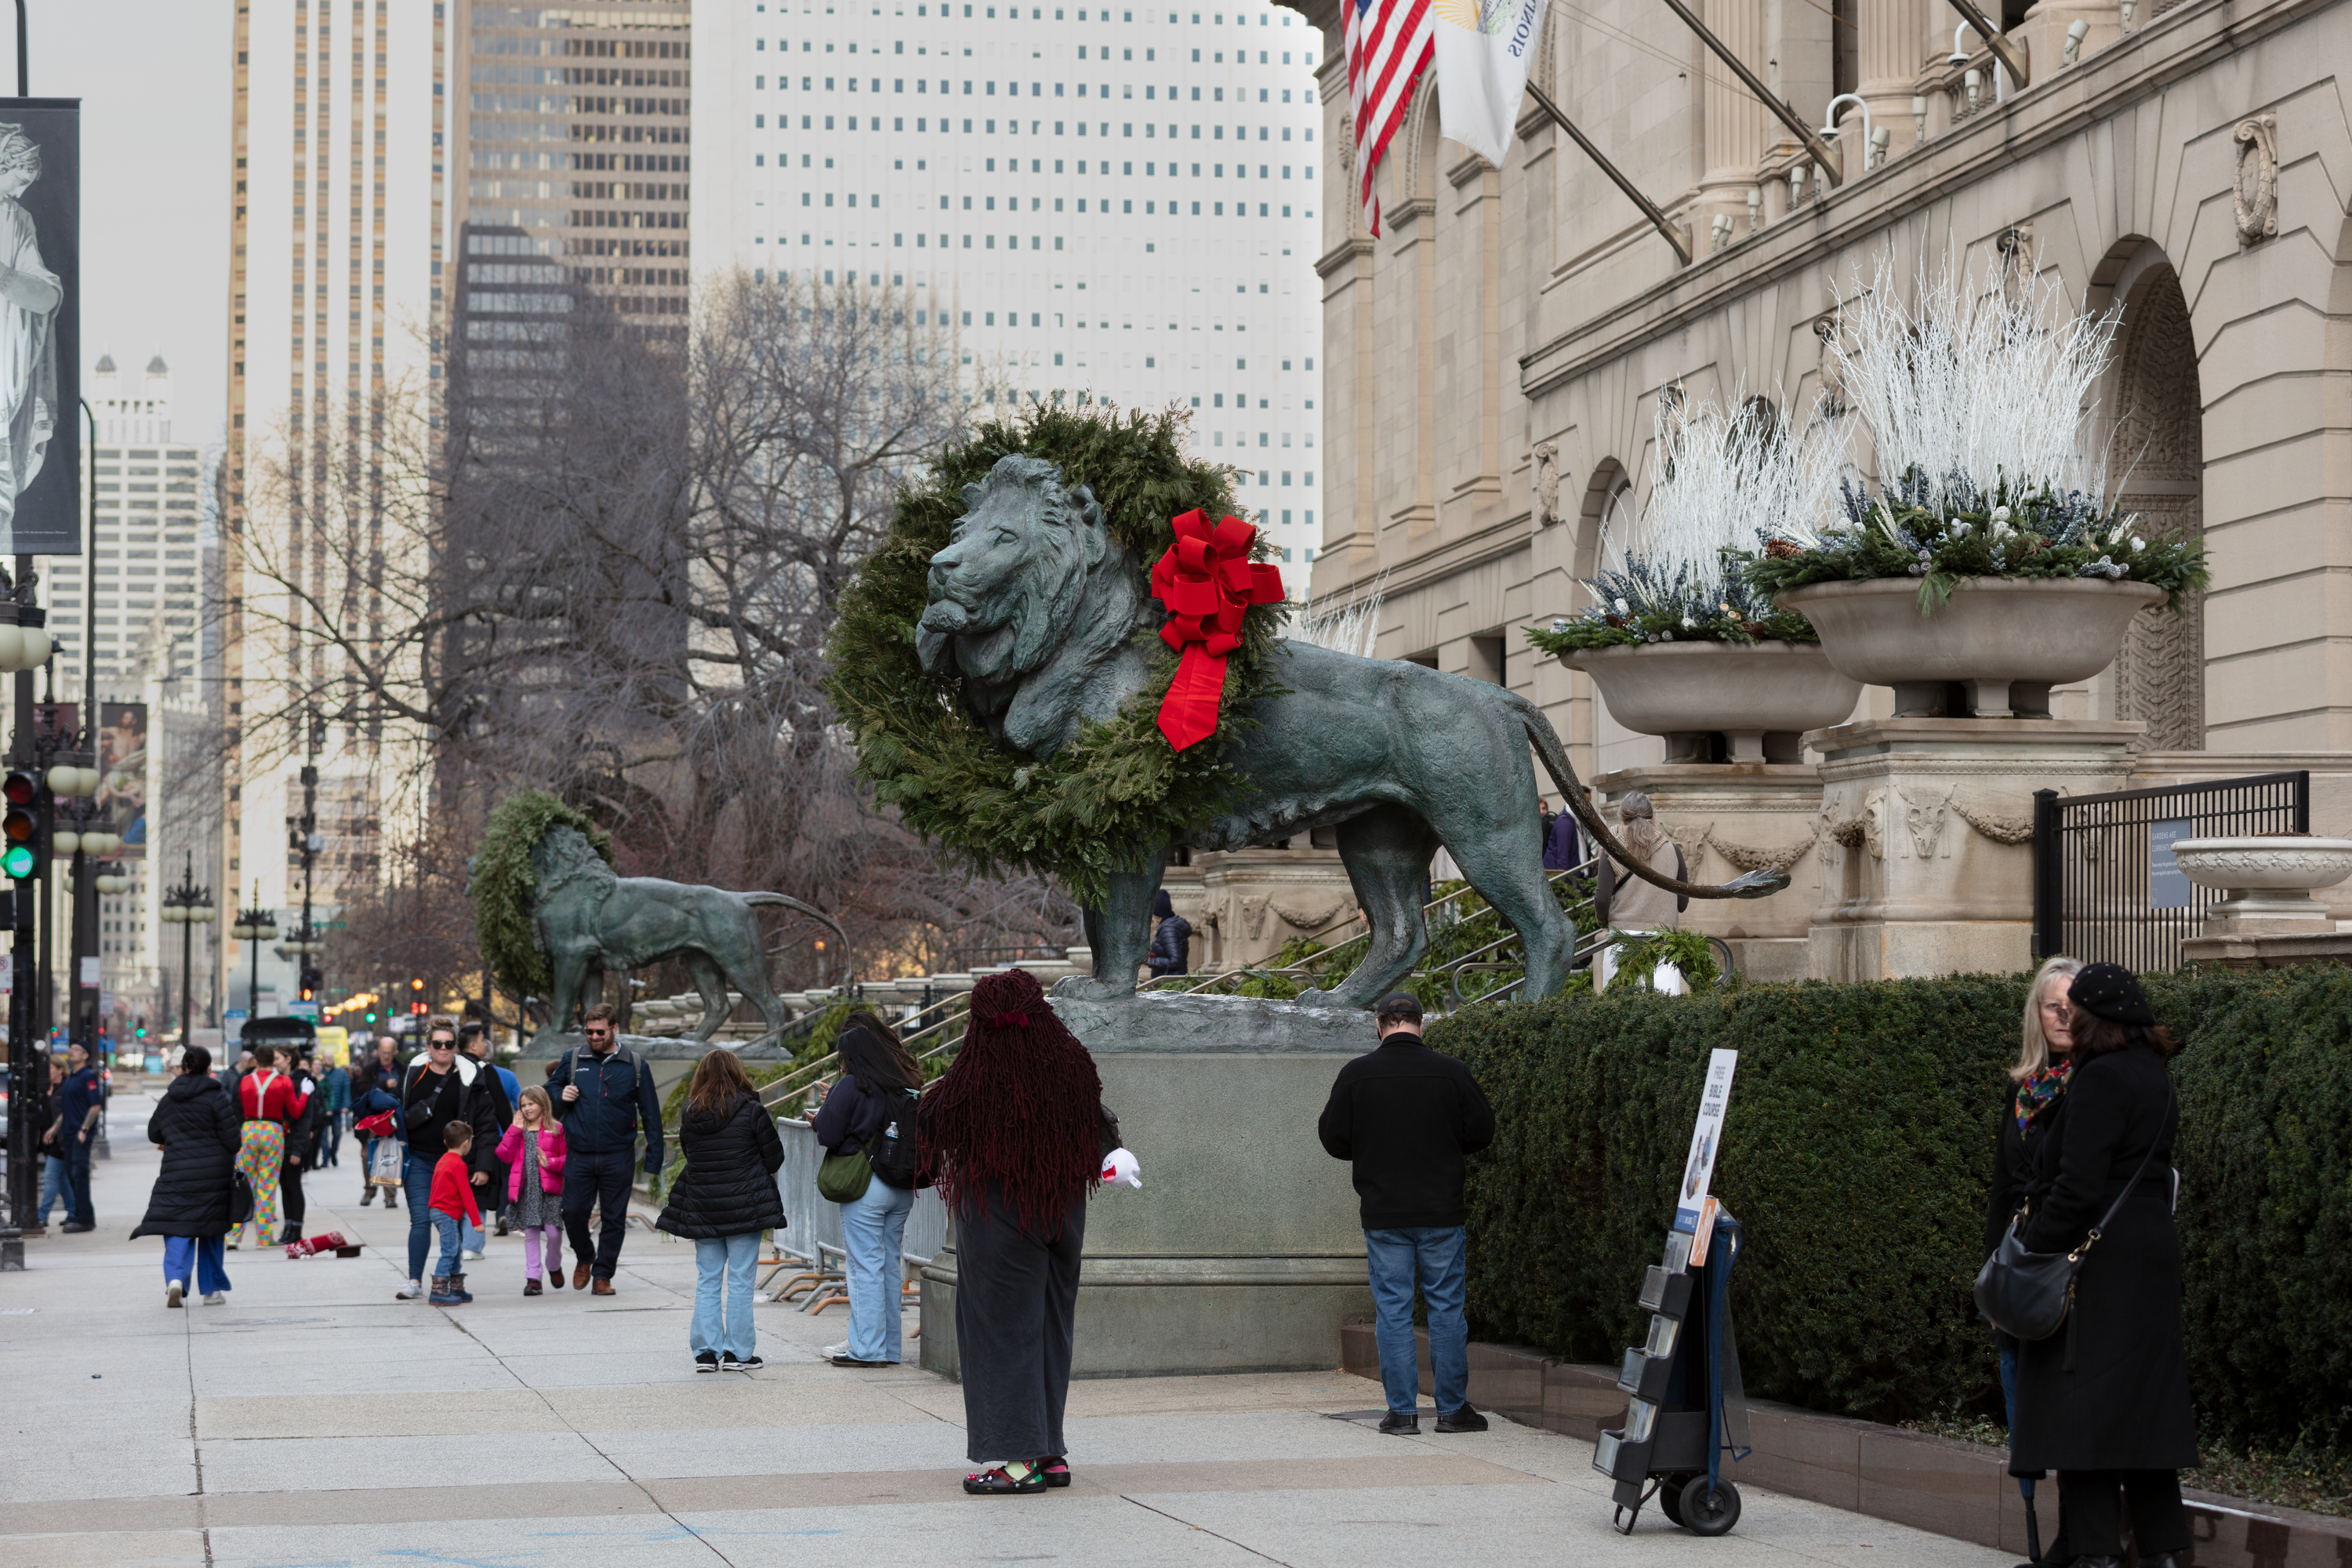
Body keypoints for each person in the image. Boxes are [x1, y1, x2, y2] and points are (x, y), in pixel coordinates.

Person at [920, 969, 1138, 1495]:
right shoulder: (1070, 1066)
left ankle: (1016, 1462)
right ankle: (1048, 1451)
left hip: (1000, 1219)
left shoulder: (974, 1077)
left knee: (1000, 1335)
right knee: (1048, 1329)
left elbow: (928, 1139)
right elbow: (1099, 1125)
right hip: (1060, 1213)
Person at [2008, 962, 2195, 1568]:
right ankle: (2164, 1551)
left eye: (2073, 1011)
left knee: (2079, 1410)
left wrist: (2033, 1248)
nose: (2065, 1018)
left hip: (2099, 1262)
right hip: (2148, 1252)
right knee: (2145, 1410)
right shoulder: (2153, 1072)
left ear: (2097, 1017)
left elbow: (2077, 1186)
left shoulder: (2100, 1077)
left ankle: (2094, 1555)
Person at [1316, 990, 1496, 1437]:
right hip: (1441, 1210)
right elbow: (1482, 1130)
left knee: (1393, 1310)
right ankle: (1453, 1411)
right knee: (1446, 1309)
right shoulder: (1451, 1072)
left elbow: (1333, 1138)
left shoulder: (1357, 1074)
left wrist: (1371, 1150)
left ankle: (1402, 1414)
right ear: (1420, 1024)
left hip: (1384, 1213)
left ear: (1379, 1026)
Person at [1987, 955, 2083, 1428]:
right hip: (2019, 1262)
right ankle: (2028, 1501)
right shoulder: (2023, 1089)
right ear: (2036, 1015)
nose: (2063, 1017)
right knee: (2017, 1388)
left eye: (2073, 1005)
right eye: (2052, 1006)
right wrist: (1994, 1281)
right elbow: (2003, 1187)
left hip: (2066, 1266)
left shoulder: (2091, 1084)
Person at [656, 1048, 786, 1370]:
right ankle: (738, 1353)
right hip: (747, 1204)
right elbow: (775, 1158)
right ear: (737, 1073)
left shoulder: (691, 1112)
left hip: (704, 1205)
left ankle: (705, 1352)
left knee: (708, 1279)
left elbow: (689, 1153)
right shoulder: (752, 1110)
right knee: (741, 1281)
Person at [811, 1014, 924, 1367]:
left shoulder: (851, 1085)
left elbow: (828, 1134)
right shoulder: (900, 1086)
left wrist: (820, 1117)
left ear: (850, 1057)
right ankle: (890, 1349)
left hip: (866, 1187)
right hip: (901, 1186)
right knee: (890, 1266)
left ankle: (866, 1349)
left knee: (864, 1268)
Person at [555, 1002, 665, 1296]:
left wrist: (654, 1160)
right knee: (573, 1211)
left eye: (600, 1032)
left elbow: (651, 1114)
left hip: (619, 1154)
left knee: (614, 1218)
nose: (594, 1037)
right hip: (579, 1153)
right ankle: (585, 1256)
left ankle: (603, 1275)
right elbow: (548, 1096)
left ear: (614, 1029)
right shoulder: (573, 1059)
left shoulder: (635, 1065)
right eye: (589, 1032)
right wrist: (561, 1095)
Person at [395, 1020, 502, 1301]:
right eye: (437, 1044)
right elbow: (401, 1111)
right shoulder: (414, 1074)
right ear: (428, 1046)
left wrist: (483, 1165)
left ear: (456, 1047)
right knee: (420, 1221)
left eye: (449, 1044)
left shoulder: (470, 1077)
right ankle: (415, 1280)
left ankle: (451, 1282)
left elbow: (487, 1125)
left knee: (452, 1224)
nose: (443, 1049)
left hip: (453, 1166)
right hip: (418, 1159)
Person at [130, 1047, 241, 1307]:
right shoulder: (217, 1097)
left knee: (177, 1225)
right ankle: (212, 1290)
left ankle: (176, 1279)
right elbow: (233, 1140)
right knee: (212, 1228)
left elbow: (154, 1134)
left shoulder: (170, 1098)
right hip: (213, 1174)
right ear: (208, 1068)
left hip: (177, 1171)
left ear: (183, 1067)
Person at [1591, 791, 1688, 994]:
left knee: (1622, 1011)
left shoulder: (1612, 850)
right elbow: (1682, 903)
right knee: (1665, 1011)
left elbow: (1602, 898)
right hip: (1664, 943)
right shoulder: (1674, 852)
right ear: (1653, 817)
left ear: (1622, 819)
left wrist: (1603, 921)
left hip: (1624, 943)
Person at [228, 1044, 305, 1248]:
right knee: (267, 1186)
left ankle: (234, 1235)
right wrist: (304, 1094)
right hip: (273, 1131)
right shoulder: (284, 1081)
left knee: (243, 1184)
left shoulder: (245, 1081)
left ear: (255, 1060)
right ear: (273, 1060)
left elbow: (239, 1105)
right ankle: (263, 1237)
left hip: (249, 1129)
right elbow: (296, 1111)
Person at [495, 1086, 568, 1295]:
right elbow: (503, 1155)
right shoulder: (518, 1130)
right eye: (523, 1105)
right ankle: (533, 1278)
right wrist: (514, 1130)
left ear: (543, 1104)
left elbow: (567, 1159)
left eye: (531, 1104)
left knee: (554, 1234)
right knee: (531, 1234)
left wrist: (550, 1162)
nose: (527, 1109)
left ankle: (553, 1265)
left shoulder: (557, 1129)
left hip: (550, 1191)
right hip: (526, 1191)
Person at [427, 1120, 482, 1306]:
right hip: (447, 1213)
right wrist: (476, 1221)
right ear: (466, 1143)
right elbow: (467, 1195)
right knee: (450, 1250)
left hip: (437, 1211)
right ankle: (439, 1291)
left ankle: (456, 1288)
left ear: (445, 1142)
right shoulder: (458, 1164)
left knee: (455, 1249)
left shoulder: (443, 1160)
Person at [350, 1037, 403, 1207]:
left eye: (389, 1053)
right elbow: (362, 1088)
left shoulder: (402, 1069)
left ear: (395, 1052)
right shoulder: (370, 1069)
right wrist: (384, 1084)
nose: (386, 1056)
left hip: (393, 1121)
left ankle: (390, 1197)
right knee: (367, 1156)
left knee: (390, 1156)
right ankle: (369, 1190)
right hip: (372, 1120)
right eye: (383, 1052)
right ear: (379, 1051)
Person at [56, 1041, 102, 1232]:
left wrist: (84, 1130)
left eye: (76, 1050)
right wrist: (54, 1128)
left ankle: (85, 1219)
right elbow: (66, 1109)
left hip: (80, 1134)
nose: (71, 1052)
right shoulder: (71, 1078)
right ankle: (79, 1212)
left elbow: (95, 1105)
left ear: (85, 1055)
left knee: (79, 1174)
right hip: (68, 1132)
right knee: (70, 1174)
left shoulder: (88, 1077)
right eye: (71, 1049)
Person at [34, 1054, 70, 1226]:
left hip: (59, 1140)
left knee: (50, 1177)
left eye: (50, 1067)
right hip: (47, 1141)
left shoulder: (65, 1088)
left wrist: (55, 1130)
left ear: (60, 1069)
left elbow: (67, 1113)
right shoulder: (45, 1089)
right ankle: (73, 1211)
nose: (47, 1071)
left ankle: (42, 1215)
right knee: (62, 1179)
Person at [1145, 888, 1191, 979]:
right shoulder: (1169, 925)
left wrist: (1149, 961)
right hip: (1169, 979)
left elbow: (1175, 961)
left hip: (1170, 981)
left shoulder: (1168, 929)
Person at [319, 1050, 350, 1169]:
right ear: (323, 1059)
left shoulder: (341, 1073)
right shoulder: (319, 1073)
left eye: (331, 1056)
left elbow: (346, 1090)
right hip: (323, 1111)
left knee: (337, 1134)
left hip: (337, 1110)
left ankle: (333, 1153)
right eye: (327, 1057)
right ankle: (325, 1157)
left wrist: (346, 1106)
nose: (330, 1059)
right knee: (323, 1136)